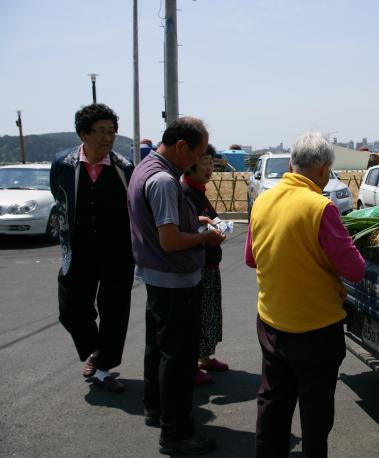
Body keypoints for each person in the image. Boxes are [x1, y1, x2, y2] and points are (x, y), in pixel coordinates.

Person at [245, 132, 365, 457]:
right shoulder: (321, 208)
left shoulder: (262, 202)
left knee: (273, 403)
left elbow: (251, 258)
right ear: (324, 169)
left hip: (271, 322)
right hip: (316, 329)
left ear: (291, 164)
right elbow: (354, 269)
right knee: (315, 412)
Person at [127, 117, 225, 455]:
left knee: (158, 349)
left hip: (157, 278)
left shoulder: (145, 167)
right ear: (182, 146)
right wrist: (206, 236)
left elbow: (161, 224)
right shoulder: (165, 180)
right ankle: (177, 433)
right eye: (197, 154)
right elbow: (169, 240)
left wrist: (192, 220)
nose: (197, 162)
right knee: (179, 359)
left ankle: (156, 409)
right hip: (175, 281)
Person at [50, 103, 134, 393]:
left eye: (111, 132)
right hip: (79, 250)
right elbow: (59, 197)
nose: (107, 138)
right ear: (83, 134)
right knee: (71, 309)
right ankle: (93, 349)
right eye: (100, 131)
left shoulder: (124, 168)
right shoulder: (63, 164)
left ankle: (103, 366)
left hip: (118, 252)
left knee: (115, 310)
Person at [181, 143, 229, 385]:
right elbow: (188, 227)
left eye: (211, 163)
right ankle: (192, 363)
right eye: (204, 162)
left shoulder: (199, 190)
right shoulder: (185, 191)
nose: (209, 167)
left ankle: (204, 356)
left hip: (210, 262)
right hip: (198, 264)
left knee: (209, 313)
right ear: (190, 165)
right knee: (198, 316)